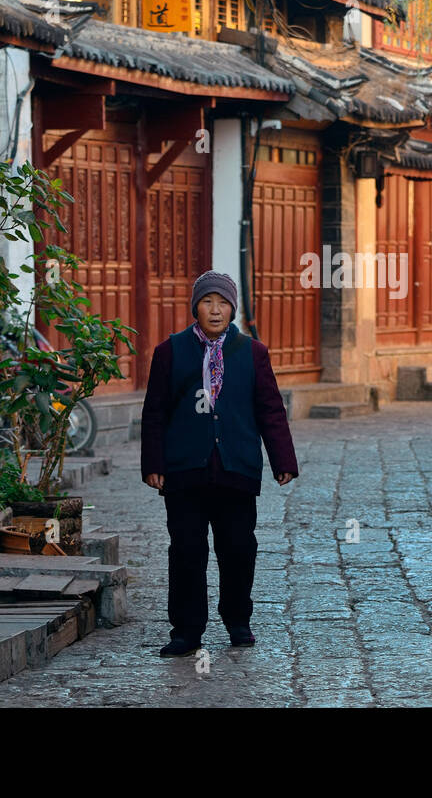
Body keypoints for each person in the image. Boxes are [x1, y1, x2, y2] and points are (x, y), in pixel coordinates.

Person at [140, 270, 298, 657]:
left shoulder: (253, 353)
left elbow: (270, 410)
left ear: (233, 309)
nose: (215, 310)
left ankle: (238, 620)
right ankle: (186, 631)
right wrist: (153, 463)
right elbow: (155, 412)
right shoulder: (170, 351)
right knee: (186, 551)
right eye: (207, 302)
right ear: (195, 307)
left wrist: (282, 459)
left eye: (223, 303)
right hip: (184, 472)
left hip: (236, 469)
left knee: (238, 549)